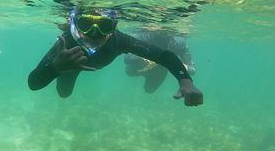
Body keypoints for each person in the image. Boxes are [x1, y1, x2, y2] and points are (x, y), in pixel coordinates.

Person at [28, 8, 203, 106]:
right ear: (74, 24)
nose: (94, 33)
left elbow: (163, 56)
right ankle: (67, 72)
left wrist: (185, 80)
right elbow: (33, 83)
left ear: (114, 27)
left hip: (65, 66)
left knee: (64, 94)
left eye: (104, 26)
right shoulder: (65, 43)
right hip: (67, 68)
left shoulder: (118, 40)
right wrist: (56, 68)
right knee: (64, 94)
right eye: (85, 24)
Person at [124, 29, 196, 94]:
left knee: (149, 89)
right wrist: (143, 59)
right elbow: (127, 58)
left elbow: (193, 69)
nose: (164, 33)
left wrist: (182, 66)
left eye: (166, 33)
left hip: (161, 69)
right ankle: (143, 71)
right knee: (129, 71)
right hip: (142, 65)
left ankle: (149, 72)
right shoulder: (145, 37)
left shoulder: (179, 43)